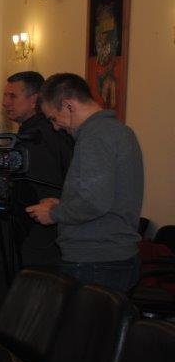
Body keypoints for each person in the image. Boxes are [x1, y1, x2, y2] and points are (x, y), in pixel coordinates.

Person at [25, 73, 143, 292]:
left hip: (96, 259)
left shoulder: (95, 136)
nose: (55, 127)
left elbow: (93, 202)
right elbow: (105, 196)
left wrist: (53, 213)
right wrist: (63, 204)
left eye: (53, 118)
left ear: (68, 105)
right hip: (112, 256)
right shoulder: (118, 131)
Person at [2, 71, 73, 268]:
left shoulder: (40, 136)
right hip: (35, 231)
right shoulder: (33, 130)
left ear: (34, 100)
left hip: (40, 234)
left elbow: (45, 190)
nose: (5, 103)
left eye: (12, 96)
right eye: (5, 95)